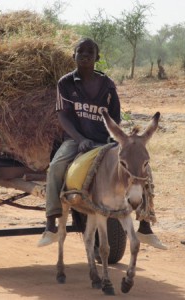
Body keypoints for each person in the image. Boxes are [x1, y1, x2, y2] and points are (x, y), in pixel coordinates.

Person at [37, 38, 167, 250]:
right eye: (81, 52)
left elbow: (115, 118)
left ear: (97, 57)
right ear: (74, 56)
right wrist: (80, 140)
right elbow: (63, 117)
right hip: (75, 140)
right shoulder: (65, 83)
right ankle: (51, 224)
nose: (85, 55)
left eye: (90, 52)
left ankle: (145, 225)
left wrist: (114, 141)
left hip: (105, 140)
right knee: (56, 168)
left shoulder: (107, 85)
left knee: (142, 166)